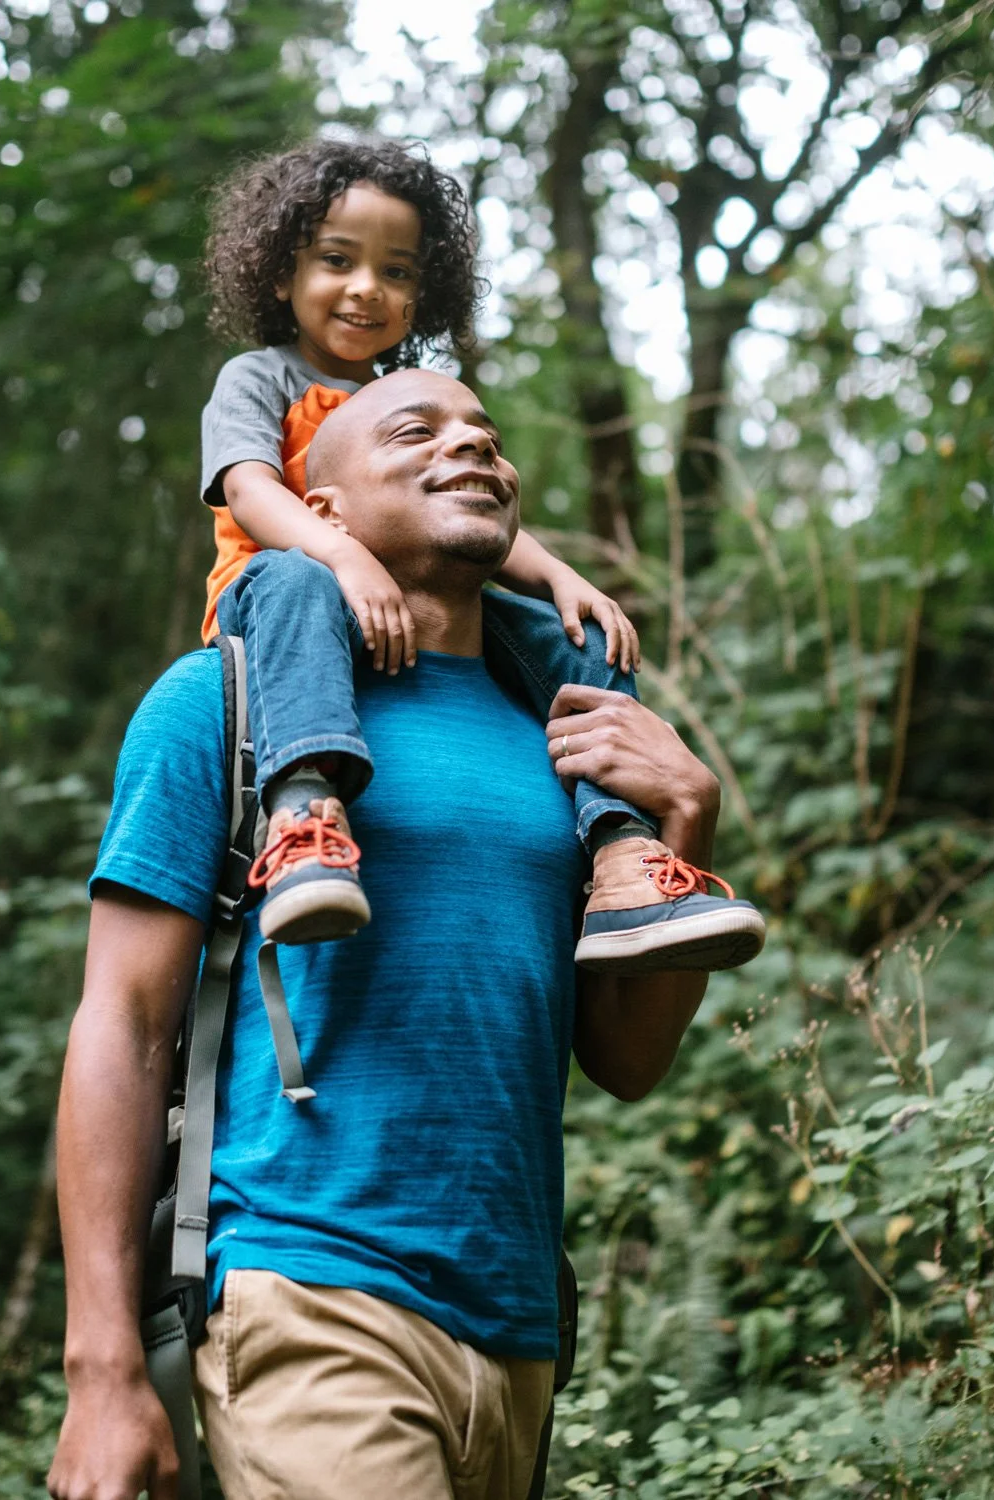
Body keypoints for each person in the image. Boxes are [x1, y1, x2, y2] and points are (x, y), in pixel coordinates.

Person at [46, 370, 758, 1500]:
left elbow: (627, 1061)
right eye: (418, 430)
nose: (474, 446)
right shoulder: (219, 705)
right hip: (306, 1288)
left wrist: (686, 819)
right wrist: (101, 1367)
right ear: (319, 512)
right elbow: (121, 1023)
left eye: (488, 433)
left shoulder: (568, 736)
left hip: (521, 1329)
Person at [198, 137, 763, 973]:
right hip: (284, 606)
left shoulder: (410, 392)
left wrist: (562, 578)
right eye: (337, 261)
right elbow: (249, 491)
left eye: (396, 272)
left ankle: (622, 856)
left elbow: (469, 514)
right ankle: (305, 818)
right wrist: (343, 557)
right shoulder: (260, 378)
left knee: (575, 637)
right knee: (292, 576)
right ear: (281, 273)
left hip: (411, 608)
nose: (367, 289)